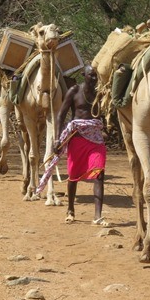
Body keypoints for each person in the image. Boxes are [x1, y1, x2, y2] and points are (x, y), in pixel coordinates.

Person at [47, 65, 108, 225]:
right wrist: (57, 139)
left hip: (95, 139)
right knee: (73, 176)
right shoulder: (74, 91)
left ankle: (97, 216)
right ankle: (70, 210)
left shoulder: (100, 93)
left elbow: (104, 113)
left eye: (96, 76)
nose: (94, 79)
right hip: (77, 138)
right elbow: (61, 115)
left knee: (99, 174)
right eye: (91, 76)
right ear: (84, 75)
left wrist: (105, 127)